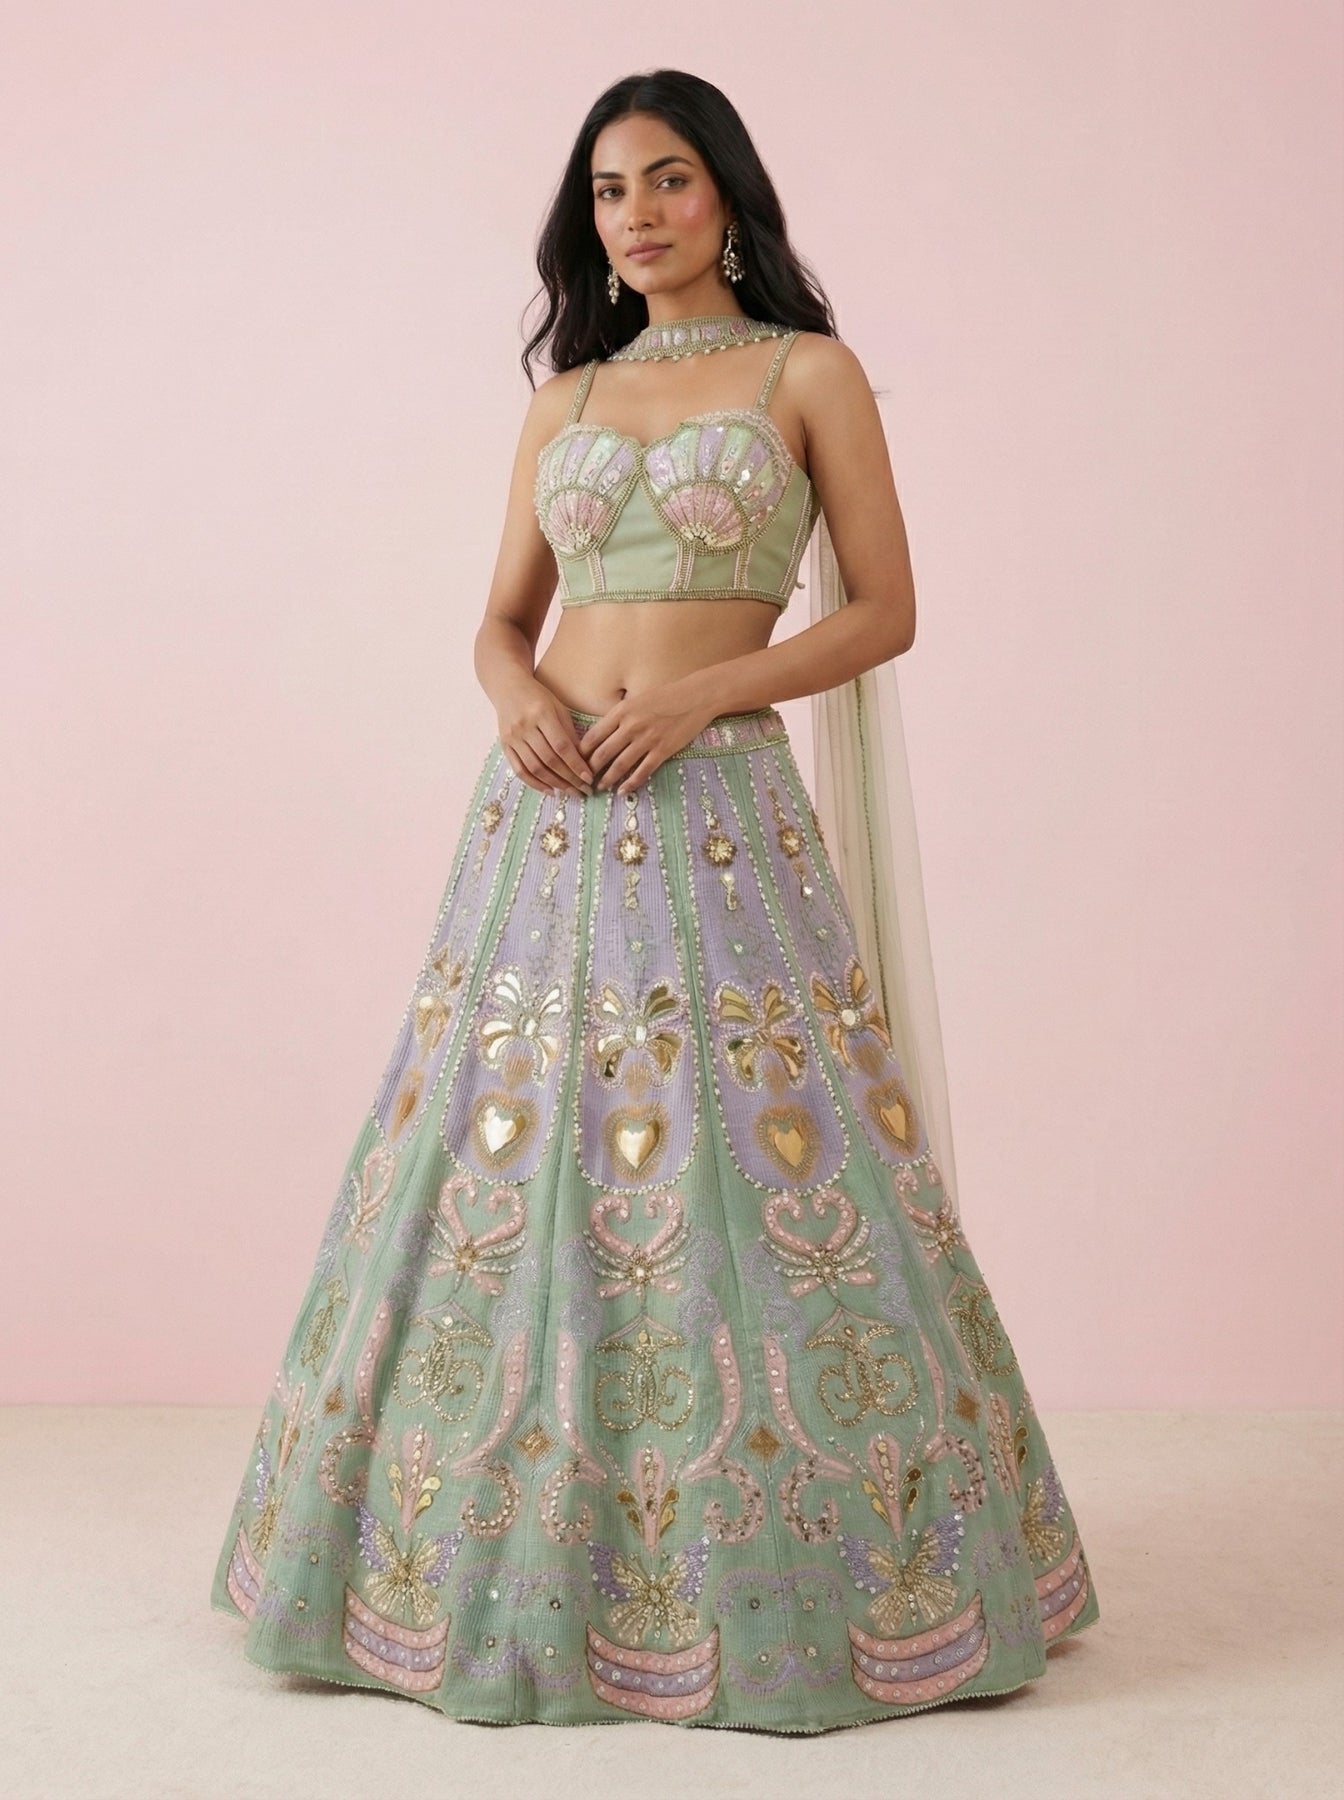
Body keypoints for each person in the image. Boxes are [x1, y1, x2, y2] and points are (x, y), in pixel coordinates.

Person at [211, 67, 1100, 1732]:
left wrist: (704, 697)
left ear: (728, 193)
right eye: (610, 191)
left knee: (747, 1160)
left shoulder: (806, 372)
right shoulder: (562, 400)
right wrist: (514, 698)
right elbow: (499, 619)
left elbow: (887, 609)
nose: (639, 214)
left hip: (716, 811)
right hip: (545, 817)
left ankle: (784, 1566)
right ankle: (482, 1568)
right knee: (511, 1153)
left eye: (670, 179)